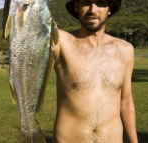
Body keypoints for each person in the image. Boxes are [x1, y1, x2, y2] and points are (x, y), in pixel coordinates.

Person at [51, 0, 138, 142]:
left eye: (101, 3)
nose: (93, 9)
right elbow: (25, 19)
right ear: (76, 6)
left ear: (109, 9)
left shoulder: (125, 50)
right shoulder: (61, 42)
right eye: (86, 2)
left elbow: (126, 102)